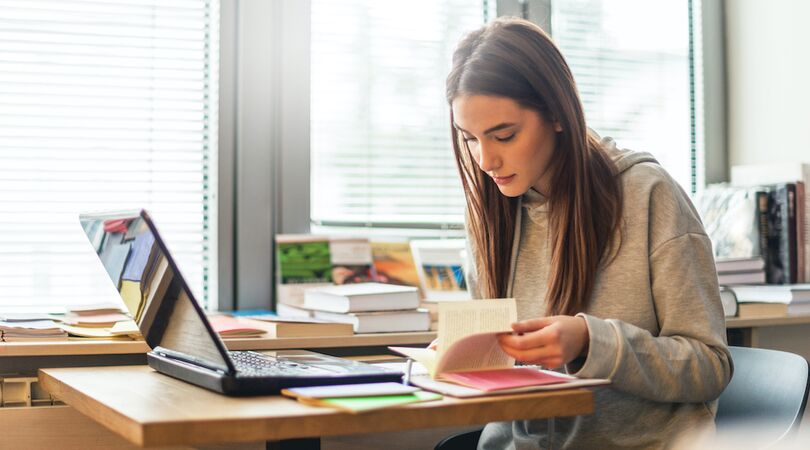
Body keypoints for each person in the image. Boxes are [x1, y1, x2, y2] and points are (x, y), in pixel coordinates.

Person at [445, 17, 732, 449]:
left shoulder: (647, 194)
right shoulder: (492, 212)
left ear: (558, 114)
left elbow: (709, 366)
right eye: (469, 139)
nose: (485, 160)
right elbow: (503, 374)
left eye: (504, 135)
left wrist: (590, 342)